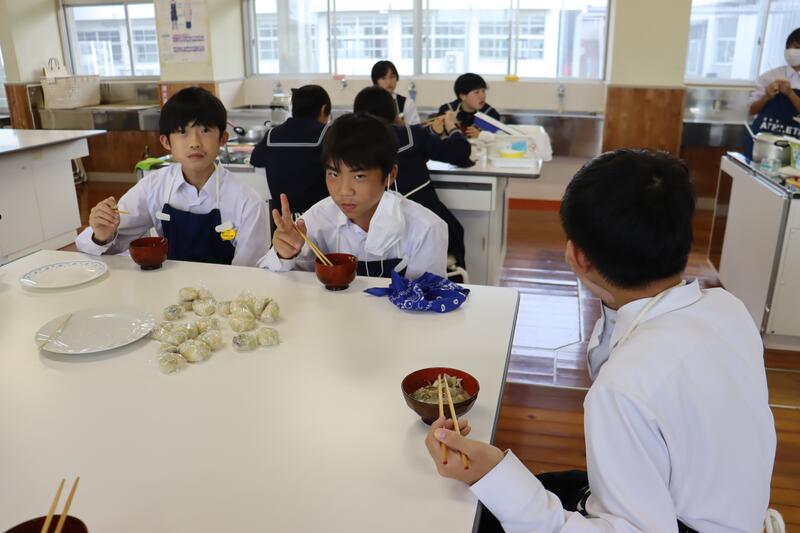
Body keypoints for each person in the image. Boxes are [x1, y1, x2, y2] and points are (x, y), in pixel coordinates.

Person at [425, 150, 776, 532]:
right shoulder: (728, 309)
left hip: (672, 523)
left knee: (476, 513)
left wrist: (490, 472)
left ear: (576, 256)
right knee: (540, 485)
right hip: (728, 511)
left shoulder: (622, 389)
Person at [76, 87, 269, 267]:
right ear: (166, 142)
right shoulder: (153, 187)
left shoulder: (247, 202)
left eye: (205, 130)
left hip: (226, 290)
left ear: (223, 139)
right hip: (169, 287)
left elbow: (249, 272)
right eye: (182, 132)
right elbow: (98, 245)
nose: (195, 143)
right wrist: (101, 235)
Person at [258, 113, 447, 279]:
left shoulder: (425, 229)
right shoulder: (317, 220)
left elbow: (430, 299)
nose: (344, 191)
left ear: (390, 174)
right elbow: (267, 279)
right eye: (334, 174)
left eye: (359, 176)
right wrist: (284, 254)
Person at [353, 85, 470, 269]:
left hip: (365, 235)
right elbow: (460, 153)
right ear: (393, 112)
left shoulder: (350, 145)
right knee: (454, 230)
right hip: (419, 230)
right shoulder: (411, 135)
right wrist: (451, 127)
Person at [250, 84, 332, 215]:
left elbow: (255, 159)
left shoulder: (272, 135)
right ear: (323, 109)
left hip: (284, 219)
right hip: (320, 218)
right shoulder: (327, 134)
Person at [746, 27, 800, 157]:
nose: (794, 52)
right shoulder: (770, 76)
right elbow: (752, 110)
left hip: (794, 149)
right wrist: (766, 97)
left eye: (798, 48)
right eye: (792, 47)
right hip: (763, 145)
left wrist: (790, 94)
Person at [437, 73, 501, 138]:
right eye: (476, 92)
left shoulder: (490, 114)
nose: (482, 96)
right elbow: (438, 137)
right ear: (462, 96)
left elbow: (498, 138)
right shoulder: (447, 110)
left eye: (483, 91)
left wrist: (481, 135)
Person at [371, 60, 420, 125]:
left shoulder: (407, 103)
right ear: (375, 81)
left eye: (392, 77)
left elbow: (416, 129)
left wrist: (400, 123)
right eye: (383, 78)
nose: (389, 82)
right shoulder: (369, 102)